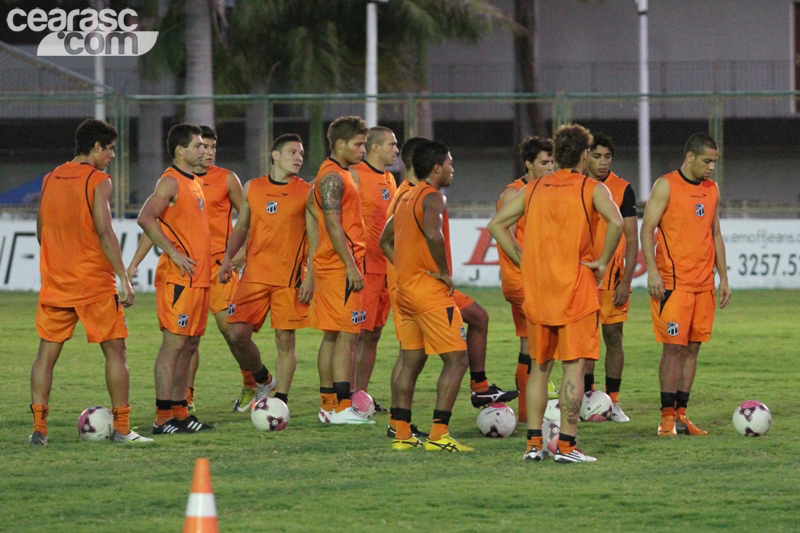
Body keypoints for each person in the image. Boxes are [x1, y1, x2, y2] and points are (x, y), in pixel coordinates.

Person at [489, 124, 623, 463]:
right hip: (575, 290)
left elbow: (496, 225)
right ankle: (566, 445)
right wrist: (603, 261)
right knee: (574, 369)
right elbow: (618, 223)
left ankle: (533, 445)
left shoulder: (533, 189)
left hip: (538, 291)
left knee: (539, 367)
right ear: (582, 156)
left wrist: (521, 259)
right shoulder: (590, 188)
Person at [30, 118, 152, 445]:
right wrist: (124, 277)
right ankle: (123, 429)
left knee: (46, 354)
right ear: (96, 147)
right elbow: (104, 230)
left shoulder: (49, 178)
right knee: (116, 352)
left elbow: (41, 231)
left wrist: (59, 260)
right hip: (93, 284)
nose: (112, 155)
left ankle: (39, 428)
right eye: (110, 148)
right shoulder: (98, 180)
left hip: (56, 283)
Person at [380, 139, 473, 452]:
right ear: (436, 168)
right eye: (449, 162)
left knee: (409, 361)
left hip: (406, 292)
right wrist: (444, 272)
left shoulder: (406, 196)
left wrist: (406, 268)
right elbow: (435, 234)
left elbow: (384, 240)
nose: (452, 169)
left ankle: (403, 434)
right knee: (458, 360)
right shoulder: (432, 197)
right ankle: (438, 434)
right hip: (429, 294)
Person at [640, 133, 731, 437]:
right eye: (707, 161)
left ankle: (681, 416)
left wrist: (723, 278)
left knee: (693, 349)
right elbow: (647, 228)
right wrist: (652, 272)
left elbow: (715, 233)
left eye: (714, 162)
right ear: (690, 157)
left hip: (703, 286)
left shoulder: (712, 190)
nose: (711, 168)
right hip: (674, 286)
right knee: (673, 349)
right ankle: (666, 418)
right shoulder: (666, 185)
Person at [220, 134, 313, 409]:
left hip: (289, 279)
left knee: (285, 341)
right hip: (255, 274)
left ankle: (280, 402)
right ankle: (263, 378)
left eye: (301, 153)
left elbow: (317, 237)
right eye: (293, 152)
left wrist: (311, 276)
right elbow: (242, 226)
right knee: (236, 333)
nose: (298, 158)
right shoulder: (253, 187)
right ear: (275, 155)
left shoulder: (306, 191)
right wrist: (227, 258)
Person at [133, 123, 216, 435]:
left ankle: (181, 413)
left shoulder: (192, 181)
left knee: (190, 345)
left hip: (199, 279)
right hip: (178, 280)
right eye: (197, 145)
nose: (203, 150)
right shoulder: (170, 181)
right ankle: (162, 417)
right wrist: (174, 253)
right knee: (174, 344)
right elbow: (145, 217)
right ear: (180, 150)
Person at [311, 116, 372, 424]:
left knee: (334, 336)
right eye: (358, 144)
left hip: (335, 264)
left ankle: (329, 405)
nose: (364, 149)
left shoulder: (340, 174)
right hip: (340, 267)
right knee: (347, 336)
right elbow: (333, 225)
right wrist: (351, 265)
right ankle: (340, 408)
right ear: (339, 144)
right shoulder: (332, 177)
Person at [496, 135, 554, 423]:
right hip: (522, 282)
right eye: (544, 162)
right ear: (528, 163)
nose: (550, 167)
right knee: (543, 346)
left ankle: (525, 413)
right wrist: (523, 261)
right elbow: (501, 229)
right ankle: (535, 409)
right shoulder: (514, 192)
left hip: (537, 281)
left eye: (553, 161)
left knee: (529, 345)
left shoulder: (544, 190)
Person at [584, 133, 638, 422]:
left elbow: (632, 238)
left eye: (607, 156)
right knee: (585, 341)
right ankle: (588, 400)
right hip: (582, 277)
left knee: (613, 336)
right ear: (585, 157)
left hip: (612, 279)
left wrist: (626, 280)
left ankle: (613, 402)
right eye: (597, 156)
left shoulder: (622, 189)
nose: (603, 162)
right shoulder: (577, 186)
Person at [350, 126, 398, 411]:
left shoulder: (390, 178)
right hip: (364, 268)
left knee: (373, 333)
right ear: (375, 147)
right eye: (392, 145)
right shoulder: (355, 174)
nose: (396, 149)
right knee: (355, 334)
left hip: (386, 268)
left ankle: (361, 395)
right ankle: (345, 396)